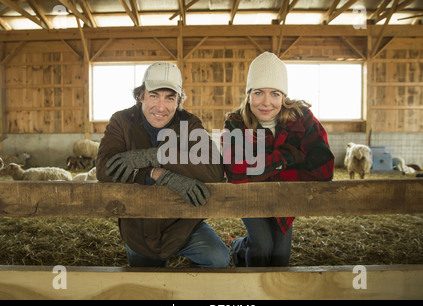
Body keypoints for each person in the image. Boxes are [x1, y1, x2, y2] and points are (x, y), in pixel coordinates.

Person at [96, 61, 230, 268]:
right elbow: (105, 168)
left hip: (182, 224)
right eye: (154, 95)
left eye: (170, 98)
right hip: (139, 227)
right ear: (141, 95)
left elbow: (213, 170)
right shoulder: (122, 121)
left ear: (178, 101)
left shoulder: (189, 123)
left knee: (218, 258)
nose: (161, 107)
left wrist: (157, 155)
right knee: (148, 283)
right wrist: (157, 174)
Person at [223, 52, 335, 267]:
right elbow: (237, 173)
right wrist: (286, 157)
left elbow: (324, 168)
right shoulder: (235, 123)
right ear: (248, 96)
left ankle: (238, 246)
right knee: (262, 246)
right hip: (250, 197)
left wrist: (265, 169)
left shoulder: (302, 118)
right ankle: (253, 290)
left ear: (283, 97)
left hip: (284, 196)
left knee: (280, 257)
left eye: (274, 93)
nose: (266, 103)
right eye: (258, 93)